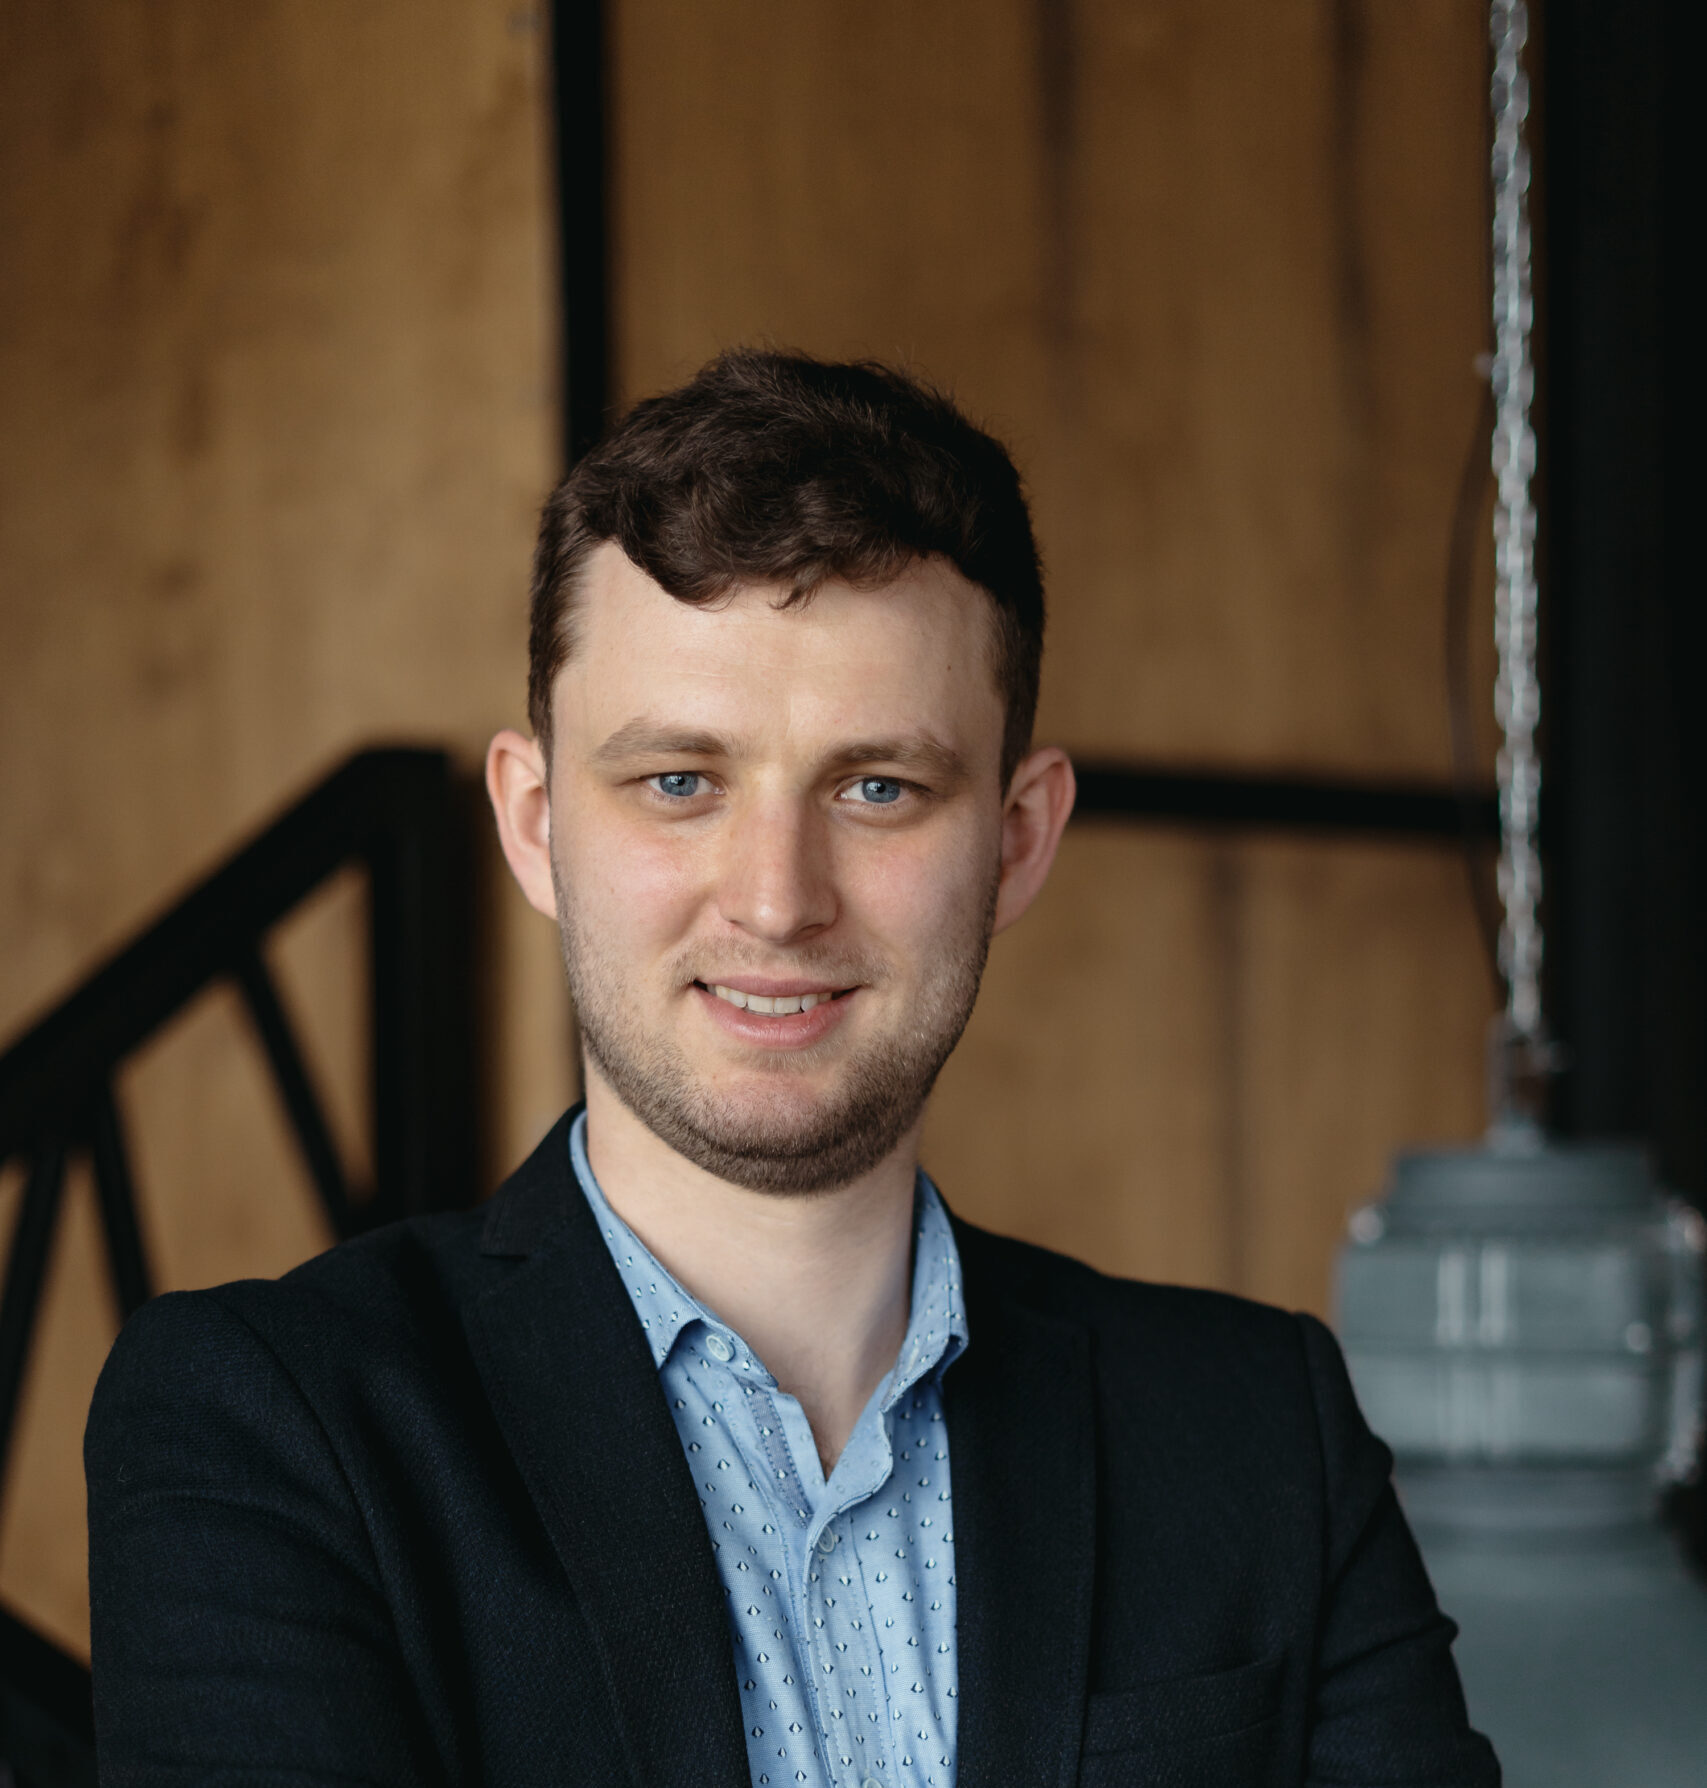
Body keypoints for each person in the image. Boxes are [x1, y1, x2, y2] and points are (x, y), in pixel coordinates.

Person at [85, 350, 1498, 1788]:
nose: (776, 899)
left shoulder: (1259, 1432)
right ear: (534, 825)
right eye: (678, 783)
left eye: (878, 788)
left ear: (1016, 840)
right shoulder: (272, 1427)